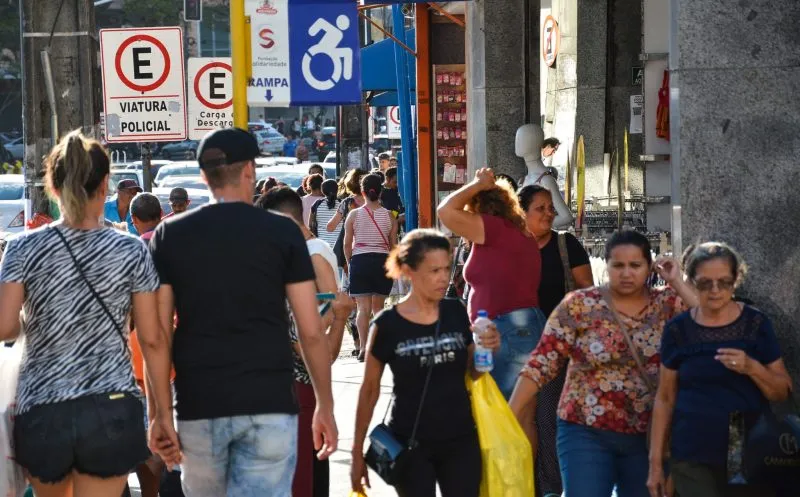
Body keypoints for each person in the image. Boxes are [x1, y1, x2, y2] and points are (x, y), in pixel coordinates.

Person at [148, 128, 338, 496]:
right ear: (250, 170)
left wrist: (160, 413)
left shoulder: (171, 235)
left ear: (204, 176)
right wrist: (324, 406)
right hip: (269, 403)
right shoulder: (281, 233)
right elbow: (310, 330)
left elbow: (156, 336)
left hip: (199, 403)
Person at [0, 130, 176, 497]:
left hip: (42, 409)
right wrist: (162, 415)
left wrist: (31, 321)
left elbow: (4, 327)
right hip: (110, 406)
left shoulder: (22, 249)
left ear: (53, 186)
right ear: (105, 185)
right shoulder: (130, 251)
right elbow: (153, 338)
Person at [509, 230, 698, 497]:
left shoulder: (666, 304)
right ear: (606, 266)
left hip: (647, 434)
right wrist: (509, 415)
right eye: (618, 265)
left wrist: (677, 280)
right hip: (584, 428)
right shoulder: (579, 305)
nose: (626, 273)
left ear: (649, 266)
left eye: (635, 265)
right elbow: (541, 363)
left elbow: (709, 321)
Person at [351, 229, 501, 497]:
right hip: (410, 442)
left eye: (446, 268)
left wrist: (487, 350)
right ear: (409, 271)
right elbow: (369, 390)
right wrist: (356, 453)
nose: (444, 277)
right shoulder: (386, 324)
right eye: (434, 271)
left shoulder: (455, 311)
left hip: (460, 438)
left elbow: (474, 373)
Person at [648, 243, 791, 497]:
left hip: (747, 451)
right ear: (691, 281)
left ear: (736, 280)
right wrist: (656, 464)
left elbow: (781, 392)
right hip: (691, 449)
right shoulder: (678, 330)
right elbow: (665, 397)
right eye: (704, 283)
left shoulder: (755, 324)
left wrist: (752, 368)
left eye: (723, 282)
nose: (715, 290)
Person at [437, 167, 544, 452]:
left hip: (504, 329)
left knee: (500, 415)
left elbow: (446, 211)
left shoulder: (493, 229)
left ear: (480, 209)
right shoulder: (520, 234)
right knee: (523, 418)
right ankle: (524, 487)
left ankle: (505, 487)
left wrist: (476, 184)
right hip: (524, 326)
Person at [257, 186, 353, 497]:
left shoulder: (306, 258)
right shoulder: (311, 252)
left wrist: (334, 317)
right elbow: (325, 319)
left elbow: (319, 333)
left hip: (296, 394)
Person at [518, 184, 594, 497]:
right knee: (520, 418)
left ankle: (550, 488)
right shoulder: (512, 246)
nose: (550, 213)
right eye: (541, 208)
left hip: (556, 349)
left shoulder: (566, 245)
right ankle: (523, 485)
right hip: (516, 346)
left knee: (548, 420)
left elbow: (588, 291)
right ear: (522, 212)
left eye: (551, 207)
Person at [344, 173, 398, 362]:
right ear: (380, 191)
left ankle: (363, 349)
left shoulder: (354, 215)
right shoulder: (389, 216)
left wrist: (350, 263)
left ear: (362, 192)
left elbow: (346, 243)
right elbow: (393, 246)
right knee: (379, 308)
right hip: (382, 261)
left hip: (360, 261)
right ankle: (380, 346)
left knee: (362, 309)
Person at [310, 179, 342, 249]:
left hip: (322, 244)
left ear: (322, 191)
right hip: (339, 245)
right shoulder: (342, 204)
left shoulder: (317, 204)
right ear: (337, 189)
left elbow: (311, 224)